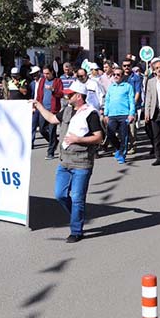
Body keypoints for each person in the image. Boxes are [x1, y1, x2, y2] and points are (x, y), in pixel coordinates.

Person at [30, 81, 103, 243]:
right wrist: (39, 105)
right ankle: (78, 215)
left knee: (77, 197)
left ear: (79, 96)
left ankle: (76, 230)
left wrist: (78, 139)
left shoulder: (90, 113)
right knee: (60, 195)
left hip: (82, 162)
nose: (66, 96)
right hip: (64, 161)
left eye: (70, 94)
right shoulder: (67, 110)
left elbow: (99, 137)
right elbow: (51, 118)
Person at [103, 67, 135, 164]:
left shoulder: (128, 86)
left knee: (124, 135)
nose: (116, 76)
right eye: (114, 75)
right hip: (112, 115)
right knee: (110, 134)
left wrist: (131, 113)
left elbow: (131, 101)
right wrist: (106, 114)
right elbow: (107, 101)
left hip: (124, 115)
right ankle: (118, 148)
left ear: (122, 76)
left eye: (118, 75)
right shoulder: (111, 87)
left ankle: (122, 154)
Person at [32, 66, 63, 159]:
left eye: (47, 73)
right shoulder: (42, 81)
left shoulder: (57, 81)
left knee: (52, 131)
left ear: (52, 72)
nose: (45, 75)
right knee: (42, 129)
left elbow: (60, 94)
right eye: (44, 73)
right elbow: (39, 94)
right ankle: (54, 142)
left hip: (53, 110)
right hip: (43, 109)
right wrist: (36, 105)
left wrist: (53, 90)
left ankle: (50, 152)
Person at [121, 59, 143, 155]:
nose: (126, 67)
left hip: (132, 106)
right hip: (121, 106)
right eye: (124, 65)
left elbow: (138, 92)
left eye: (128, 65)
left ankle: (132, 146)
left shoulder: (136, 77)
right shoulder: (119, 76)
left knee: (131, 128)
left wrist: (132, 105)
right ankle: (122, 147)